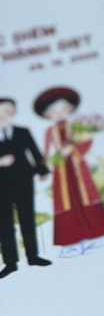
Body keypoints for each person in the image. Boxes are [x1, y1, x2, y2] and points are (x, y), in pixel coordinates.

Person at [33, 87, 104, 256]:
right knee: (65, 202)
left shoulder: (76, 126)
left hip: (78, 167)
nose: (59, 113)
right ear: (47, 114)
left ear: (70, 108)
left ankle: (97, 238)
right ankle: (71, 243)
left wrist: (73, 150)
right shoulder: (50, 131)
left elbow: (86, 142)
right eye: (53, 110)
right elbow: (45, 152)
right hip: (61, 172)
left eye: (63, 108)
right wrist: (43, 169)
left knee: (86, 197)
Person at [0, 97, 52, 278]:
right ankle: (10, 263)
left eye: (7, 111)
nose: (2, 115)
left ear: (14, 113)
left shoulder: (22, 131)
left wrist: (42, 170)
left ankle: (33, 256)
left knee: (27, 219)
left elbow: (34, 151)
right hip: (1, 184)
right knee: (4, 223)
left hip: (23, 179)